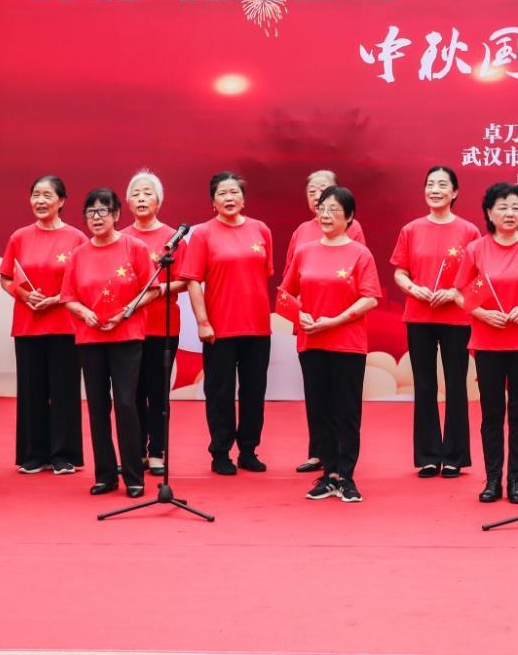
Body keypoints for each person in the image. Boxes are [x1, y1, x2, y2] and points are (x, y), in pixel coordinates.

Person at [454, 183, 518, 504]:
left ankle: (517, 480)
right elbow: (460, 293)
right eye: (502, 207)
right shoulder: (477, 249)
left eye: (515, 207)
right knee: (492, 414)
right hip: (488, 342)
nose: (510, 213)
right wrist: (483, 314)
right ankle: (492, 480)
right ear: (489, 213)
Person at [280, 186, 380, 503]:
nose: (326, 214)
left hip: (348, 343)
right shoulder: (305, 252)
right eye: (322, 208)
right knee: (320, 410)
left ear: (349, 217)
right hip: (312, 342)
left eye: (334, 210)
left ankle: (346, 476)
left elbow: (370, 298)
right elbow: (285, 294)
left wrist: (335, 320)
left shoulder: (360, 254)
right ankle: (328, 475)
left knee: (346, 411)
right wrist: (300, 315)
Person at [61, 189, 156, 497]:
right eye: (91, 212)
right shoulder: (79, 254)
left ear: (116, 215)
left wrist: (125, 312)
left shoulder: (135, 247)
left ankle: (133, 476)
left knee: (126, 403)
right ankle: (105, 474)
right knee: (98, 405)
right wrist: (84, 313)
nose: (97, 217)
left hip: (126, 336)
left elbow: (151, 289)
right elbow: (68, 297)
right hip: (90, 337)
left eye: (103, 211)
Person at [181, 171, 274, 475]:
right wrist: (202, 321)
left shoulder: (261, 230)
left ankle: (248, 450)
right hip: (219, 328)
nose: (229, 198)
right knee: (220, 392)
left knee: (253, 391)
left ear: (244, 199)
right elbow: (193, 281)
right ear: (213, 201)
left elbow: (264, 273)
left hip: (257, 326)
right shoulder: (203, 234)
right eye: (222, 193)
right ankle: (220, 452)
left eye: (235, 192)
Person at [390, 165, 480, 478]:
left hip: (456, 316)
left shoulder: (469, 231)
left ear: (454, 193)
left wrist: (453, 292)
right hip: (419, 315)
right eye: (430, 184)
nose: (435, 190)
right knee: (425, 384)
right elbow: (400, 272)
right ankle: (428, 455)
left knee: (455, 385)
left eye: (443, 185)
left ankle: (455, 456)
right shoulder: (411, 230)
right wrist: (413, 288)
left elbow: (478, 278)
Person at [0, 175, 88, 475]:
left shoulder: (77, 238)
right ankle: (33, 453)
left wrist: (58, 298)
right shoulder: (19, 237)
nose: (40, 201)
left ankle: (64, 454)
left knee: (64, 391)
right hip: (28, 323)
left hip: (65, 324)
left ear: (61, 201)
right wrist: (24, 295)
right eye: (35, 194)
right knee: (31, 390)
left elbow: (85, 281)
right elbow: (6, 278)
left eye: (47, 195)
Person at [122, 170, 188, 478]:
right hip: (129, 327)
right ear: (127, 202)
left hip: (162, 326)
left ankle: (157, 452)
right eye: (135, 194)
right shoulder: (120, 238)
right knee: (132, 393)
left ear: (159, 201)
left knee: (157, 393)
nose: (141, 198)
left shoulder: (173, 239)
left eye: (147, 193)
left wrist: (157, 291)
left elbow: (186, 280)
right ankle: (136, 451)